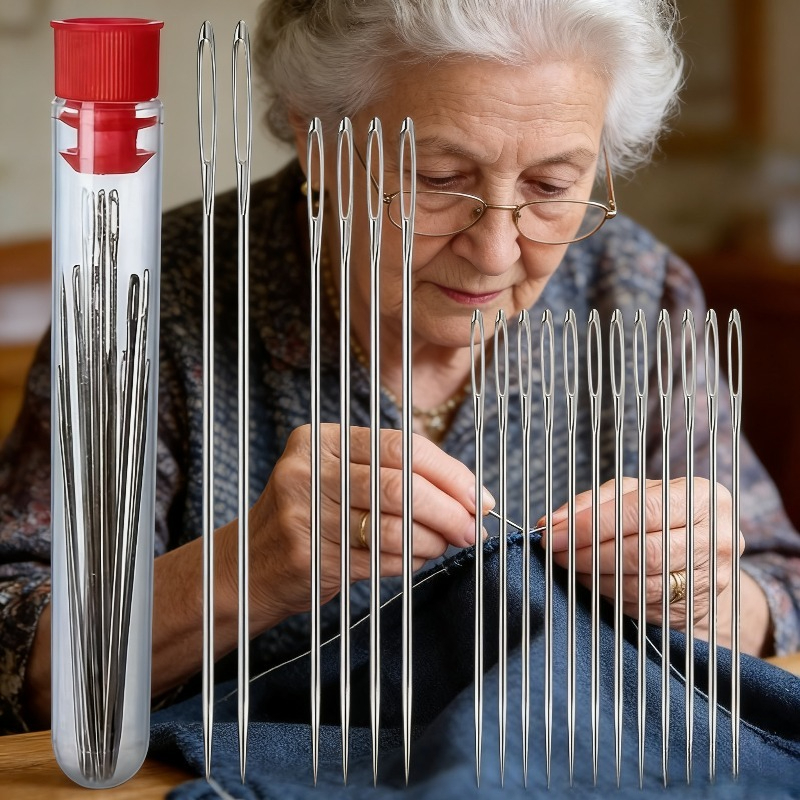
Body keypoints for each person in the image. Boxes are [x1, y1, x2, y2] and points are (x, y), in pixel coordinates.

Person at [1, 0, 798, 736]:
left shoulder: (634, 294)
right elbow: (14, 656)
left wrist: (703, 596)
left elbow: (776, 590)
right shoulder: (142, 297)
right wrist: (244, 570)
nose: (495, 251)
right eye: (439, 180)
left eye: (552, 186)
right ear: (315, 135)